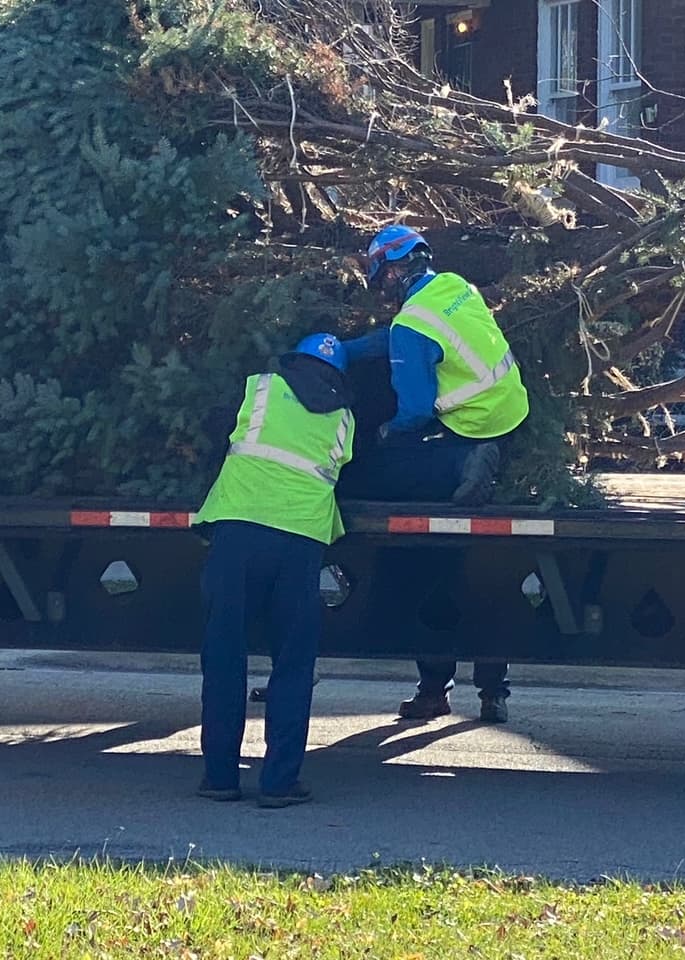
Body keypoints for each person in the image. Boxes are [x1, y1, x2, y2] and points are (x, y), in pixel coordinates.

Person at [339, 224, 530, 725]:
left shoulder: (411, 327)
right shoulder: (453, 287)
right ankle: (492, 692)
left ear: (395, 270)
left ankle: (432, 687)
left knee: (392, 499)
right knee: (478, 574)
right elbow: (404, 333)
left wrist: (382, 434)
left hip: (468, 429)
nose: (382, 288)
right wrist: (351, 349)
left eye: (381, 278)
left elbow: (416, 409)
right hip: (509, 410)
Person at [193, 333, 355, 808]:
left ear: (293, 361)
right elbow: (342, 467)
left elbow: (221, 431)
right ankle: (279, 782)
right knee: (293, 663)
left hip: (238, 531)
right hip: (300, 541)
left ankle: (220, 778)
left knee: (225, 656)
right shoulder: (344, 418)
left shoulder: (260, 387)